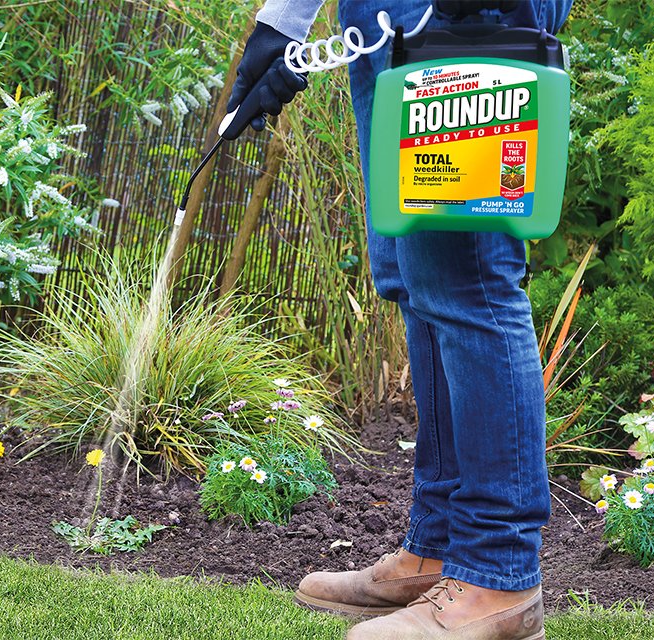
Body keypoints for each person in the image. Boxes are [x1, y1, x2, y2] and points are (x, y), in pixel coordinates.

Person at [225, 1, 573, 638]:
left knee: (466, 277)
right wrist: (286, 22)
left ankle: (499, 574)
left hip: (474, 12)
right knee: (414, 275)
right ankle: (439, 548)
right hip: (385, 18)